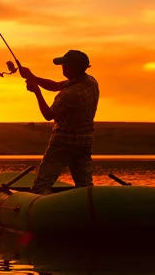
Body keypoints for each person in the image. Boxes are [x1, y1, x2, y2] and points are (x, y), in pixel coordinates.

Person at [20, 49, 99, 194]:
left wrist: (36, 91)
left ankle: (39, 208)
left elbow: (49, 115)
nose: (62, 67)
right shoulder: (91, 82)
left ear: (70, 68)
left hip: (62, 143)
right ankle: (89, 207)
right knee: (84, 185)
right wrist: (32, 77)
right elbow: (55, 86)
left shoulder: (69, 94)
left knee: (42, 185)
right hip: (85, 143)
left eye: (64, 65)